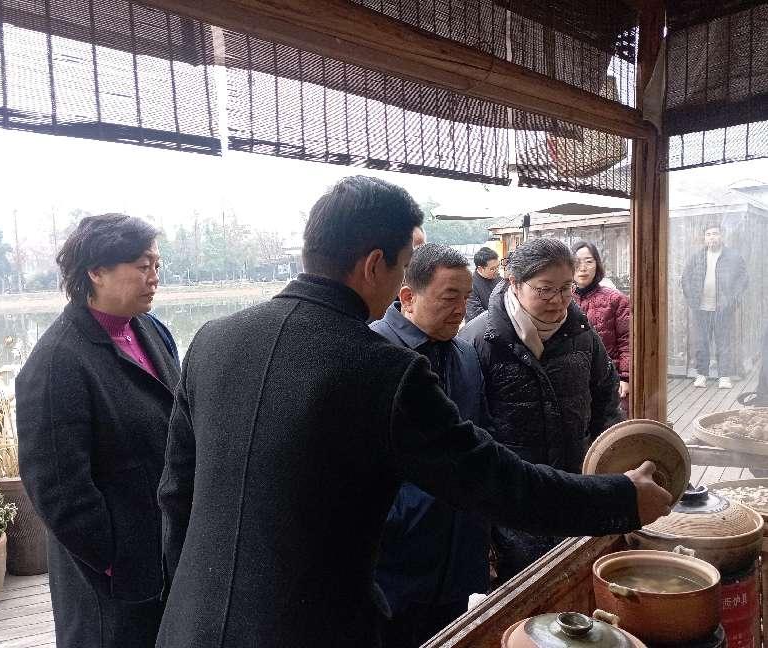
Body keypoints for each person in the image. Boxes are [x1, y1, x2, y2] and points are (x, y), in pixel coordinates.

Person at [156, 175, 671, 648]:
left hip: (188, 625)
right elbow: (494, 480)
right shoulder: (381, 368)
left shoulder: (212, 340)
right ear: (374, 265)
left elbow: (176, 494)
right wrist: (622, 496)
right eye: (404, 265)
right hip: (311, 628)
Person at [16, 214, 180, 648]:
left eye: (157, 265)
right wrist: (113, 558)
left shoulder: (149, 329)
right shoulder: (58, 361)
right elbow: (56, 488)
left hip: (163, 550)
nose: (154, 277)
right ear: (97, 271)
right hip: (112, 578)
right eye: (142, 266)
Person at [459, 238, 624, 584]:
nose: (558, 300)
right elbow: (469, 434)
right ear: (514, 283)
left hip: (576, 486)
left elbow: (606, 400)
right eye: (545, 289)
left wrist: (610, 466)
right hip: (512, 504)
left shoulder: (582, 332)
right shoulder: (479, 339)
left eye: (566, 288)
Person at [371, 243, 494, 648]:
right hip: (393, 564)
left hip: (459, 556)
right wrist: (403, 516)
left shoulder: (465, 354)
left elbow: (483, 440)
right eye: (449, 297)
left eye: (466, 297)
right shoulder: (371, 355)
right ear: (408, 297)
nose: (461, 310)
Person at [681, 223, 748, 389]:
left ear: (722, 236)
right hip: (701, 309)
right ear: (705, 238)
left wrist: (732, 299)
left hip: (723, 309)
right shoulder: (697, 257)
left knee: (723, 342)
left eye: (715, 233)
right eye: (709, 234)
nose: (712, 237)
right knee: (701, 343)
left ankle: (724, 377)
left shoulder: (733, 256)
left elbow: (743, 279)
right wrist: (692, 298)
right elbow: (685, 278)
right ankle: (701, 375)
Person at [572, 240, 631, 407]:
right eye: (577, 262)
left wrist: (625, 377)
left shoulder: (616, 300)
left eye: (589, 261)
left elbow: (627, 341)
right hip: (572, 380)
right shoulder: (562, 299)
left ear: (597, 265)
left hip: (607, 379)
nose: (583, 268)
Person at [465, 246, 503, 323]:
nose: (496, 271)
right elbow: (475, 313)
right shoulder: (469, 284)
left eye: (497, 267)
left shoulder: (499, 279)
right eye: (492, 269)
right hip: (479, 325)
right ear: (480, 269)